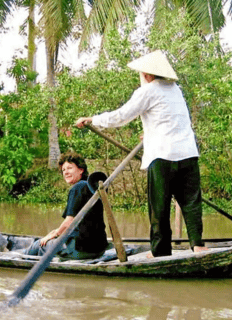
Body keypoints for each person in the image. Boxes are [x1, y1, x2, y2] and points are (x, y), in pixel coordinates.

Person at [75, 50, 208, 257]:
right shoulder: (176, 90)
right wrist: (149, 134)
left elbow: (120, 117)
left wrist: (92, 119)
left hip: (163, 157)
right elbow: (171, 119)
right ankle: (198, 245)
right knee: (191, 202)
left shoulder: (148, 91)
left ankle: (160, 251)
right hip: (188, 153)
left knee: (159, 206)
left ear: (147, 75)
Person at [21, 152, 108, 260]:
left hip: (80, 250)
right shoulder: (91, 189)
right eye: (63, 170)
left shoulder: (78, 188)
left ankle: (19, 258)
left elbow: (69, 223)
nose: (66, 172)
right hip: (98, 249)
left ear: (81, 170)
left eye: (70, 168)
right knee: (48, 239)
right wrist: (56, 231)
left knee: (39, 245)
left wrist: (55, 234)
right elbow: (80, 223)